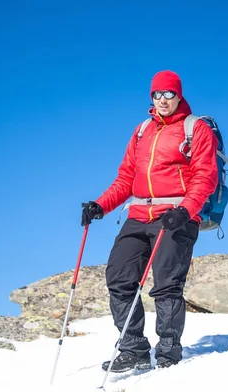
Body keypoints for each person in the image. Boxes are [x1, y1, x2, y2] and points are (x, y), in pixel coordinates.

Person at [82, 70, 218, 371]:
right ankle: (133, 348)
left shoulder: (195, 129)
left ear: (179, 95)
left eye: (169, 94)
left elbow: (205, 177)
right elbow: (126, 178)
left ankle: (168, 354)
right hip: (138, 214)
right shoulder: (143, 130)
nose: (162, 100)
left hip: (175, 216)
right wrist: (100, 206)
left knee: (167, 285)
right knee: (119, 277)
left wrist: (185, 210)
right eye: (157, 94)